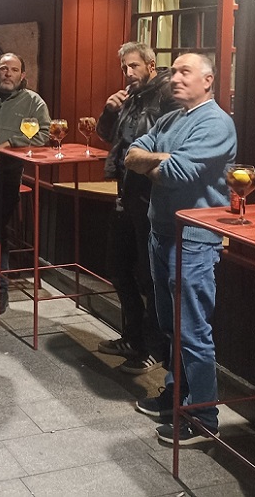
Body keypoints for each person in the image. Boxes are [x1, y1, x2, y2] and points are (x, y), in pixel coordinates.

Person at [124, 51, 236, 446]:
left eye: (185, 71)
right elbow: (131, 154)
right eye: (173, 71)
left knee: (192, 331)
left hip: (194, 239)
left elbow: (176, 173)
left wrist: (156, 162)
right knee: (172, 326)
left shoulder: (217, 123)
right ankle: (176, 398)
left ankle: (203, 417)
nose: (175, 78)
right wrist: (159, 159)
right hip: (162, 233)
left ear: (208, 80)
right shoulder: (172, 119)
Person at [94, 42, 176, 375]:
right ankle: (132, 338)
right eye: (124, 68)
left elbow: (168, 144)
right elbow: (107, 136)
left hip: (150, 195)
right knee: (117, 266)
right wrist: (109, 110)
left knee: (149, 276)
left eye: (134, 66)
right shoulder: (130, 97)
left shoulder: (166, 95)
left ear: (150, 65)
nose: (128, 73)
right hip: (125, 192)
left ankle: (153, 348)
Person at [0, 52, 50, 316]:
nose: (8, 74)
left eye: (14, 70)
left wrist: (10, 143)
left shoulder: (33, 102)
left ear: (22, 75)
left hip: (7, 174)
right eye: (4, 69)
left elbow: (44, 134)